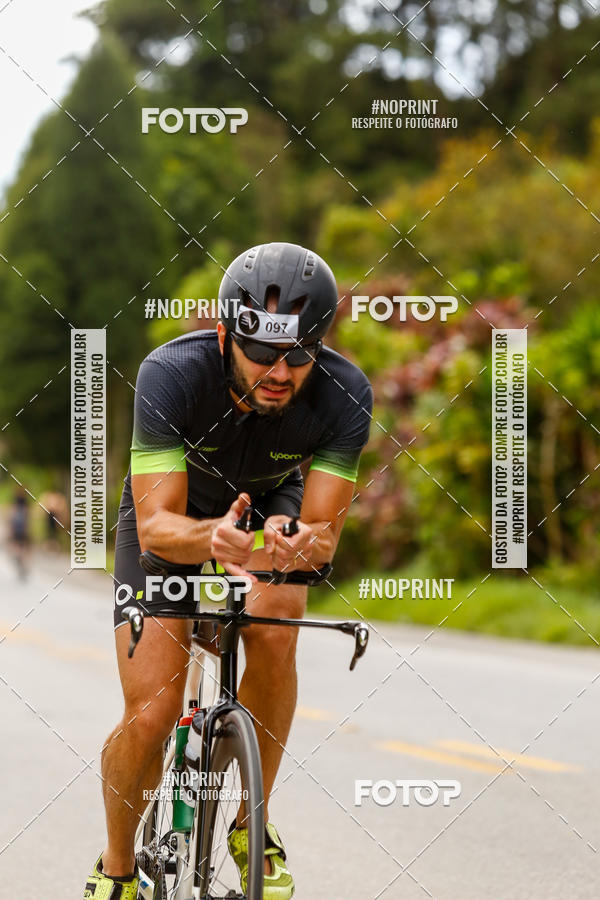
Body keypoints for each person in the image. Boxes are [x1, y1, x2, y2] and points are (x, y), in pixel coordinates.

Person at [84, 242, 373, 899]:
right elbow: (157, 527)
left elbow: (323, 535)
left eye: (299, 354)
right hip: (175, 514)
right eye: (262, 351)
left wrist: (293, 544)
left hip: (268, 505)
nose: (280, 371)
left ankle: (251, 824)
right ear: (225, 336)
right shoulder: (172, 374)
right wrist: (210, 539)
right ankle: (117, 868)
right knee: (153, 713)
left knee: (277, 624)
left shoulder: (344, 393)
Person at [7, 487, 30, 579]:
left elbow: (11, 519)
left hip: (17, 529)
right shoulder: (25, 508)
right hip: (22, 529)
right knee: (23, 546)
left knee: (17, 545)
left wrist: (10, 530)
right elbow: (28, 520)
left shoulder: (15, 507)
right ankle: (20, 559)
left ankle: (18, 557)